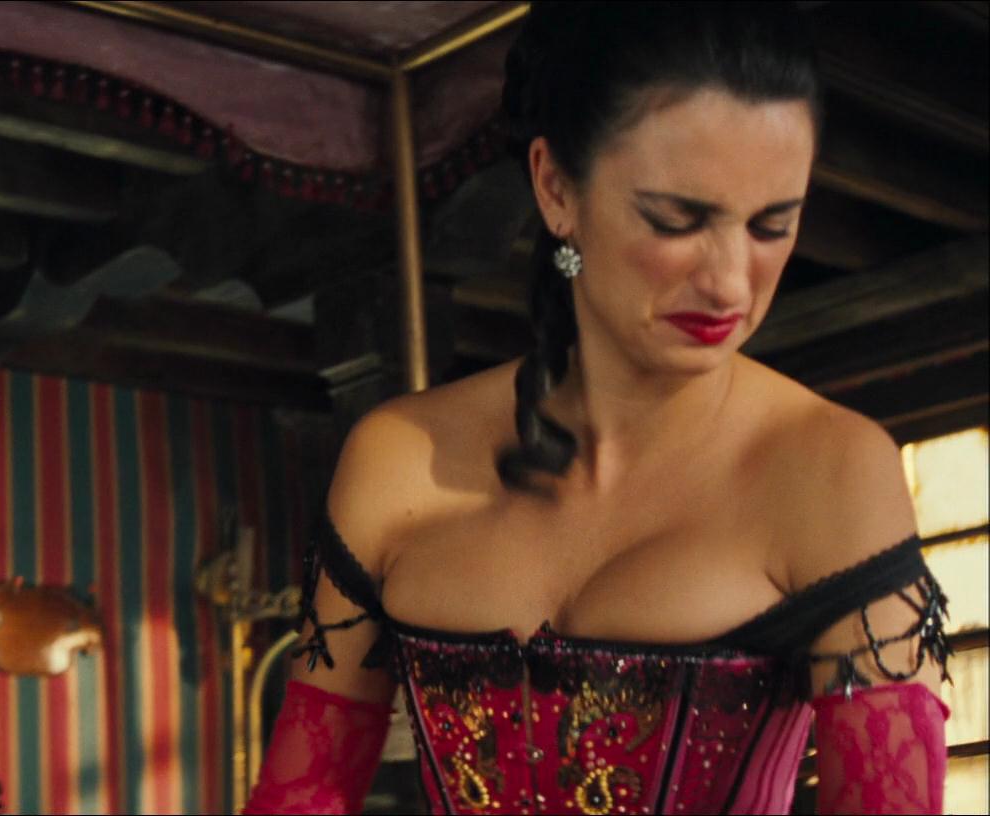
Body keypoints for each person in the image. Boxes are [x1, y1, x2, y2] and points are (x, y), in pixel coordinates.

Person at [246, 4, 951, 814]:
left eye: (771, 226)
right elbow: (300, 798)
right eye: (676, 218)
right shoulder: (394, 457)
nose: (729, 281)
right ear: (556, 189)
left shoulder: (832, 469)